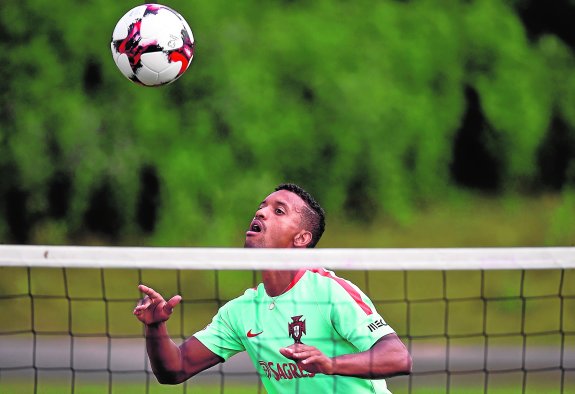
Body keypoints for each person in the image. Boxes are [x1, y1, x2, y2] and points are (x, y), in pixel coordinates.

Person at [134, 183, 412, 393]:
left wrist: (331, 364)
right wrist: (156, 327)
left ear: (302, 238)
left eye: (278, 210)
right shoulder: (240, 312)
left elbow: (398, 357)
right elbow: (174, 369)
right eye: (262, 207)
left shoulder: (330, 293)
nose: (261, 212)